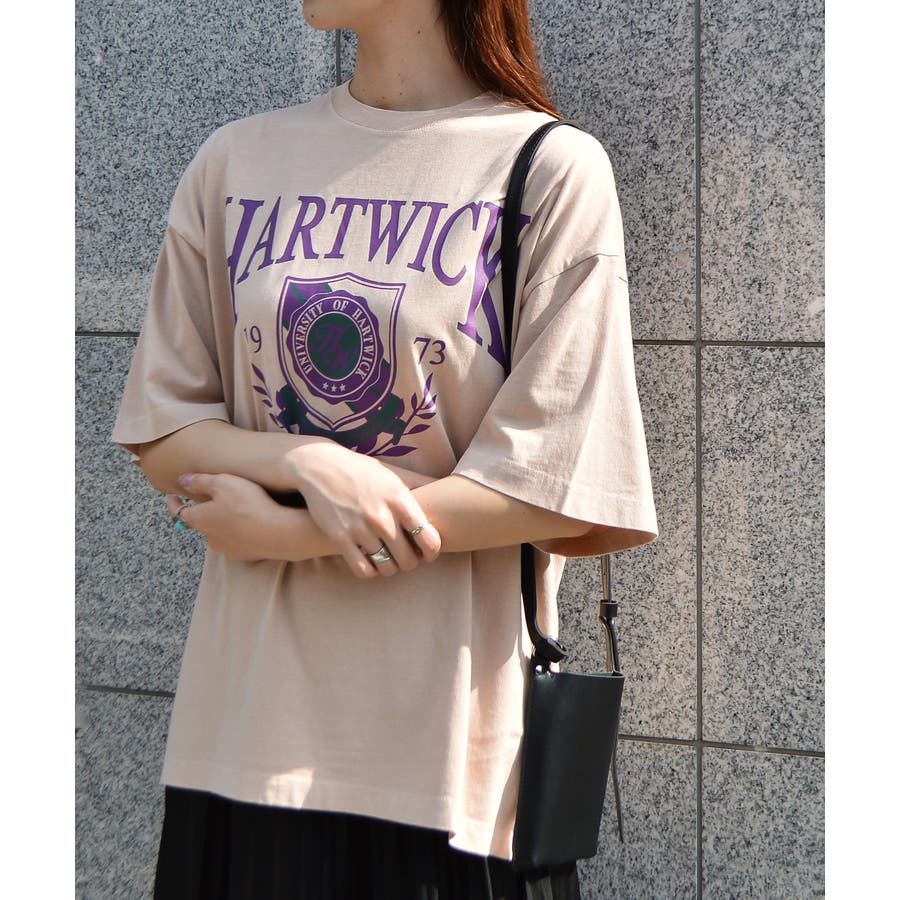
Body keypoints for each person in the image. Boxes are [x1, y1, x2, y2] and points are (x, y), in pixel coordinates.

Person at [112, 0, 658, 896]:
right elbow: (163, 428)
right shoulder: (236, 160)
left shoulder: (548, 168)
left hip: (445, 762)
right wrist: (305, 463)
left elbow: (558, 481)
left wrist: (296, 532)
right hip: (242, 739)